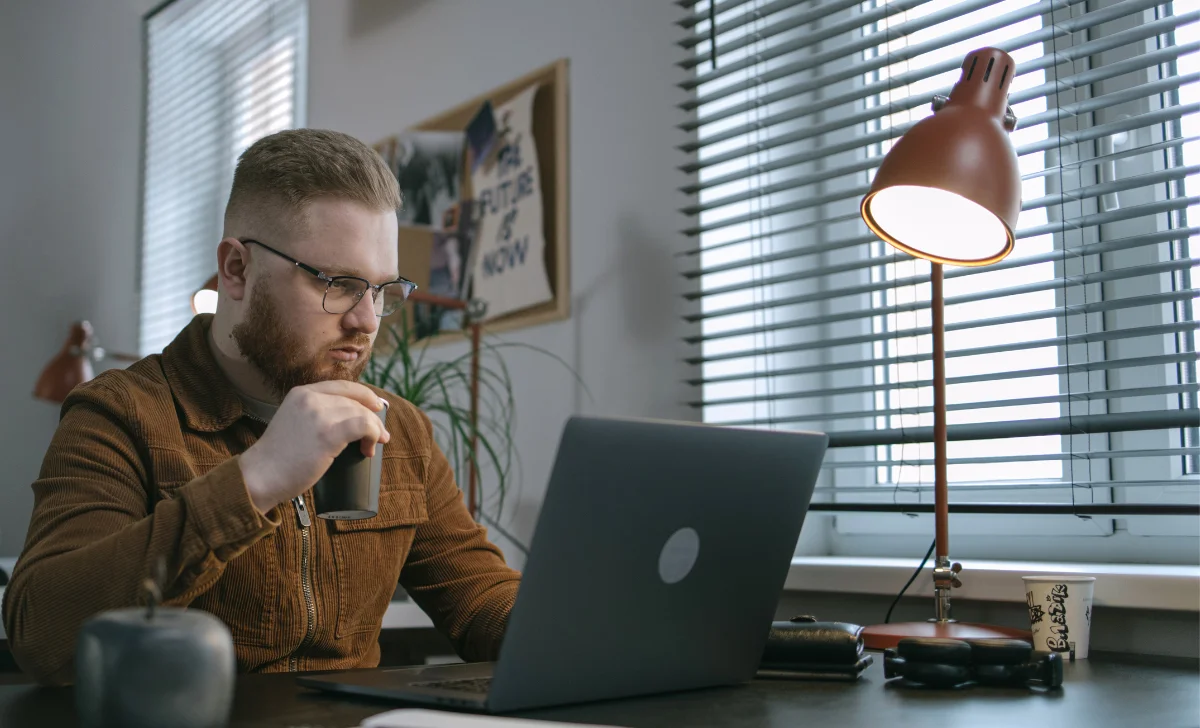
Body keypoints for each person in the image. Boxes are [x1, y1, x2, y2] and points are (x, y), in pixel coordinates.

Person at [2, 129, 521, 685]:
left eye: (381, 289)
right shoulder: (121, 415)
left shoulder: (401, 430)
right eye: (338, 283)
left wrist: (594, 633)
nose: (367, 321)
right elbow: (43, 636)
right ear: (236, 270)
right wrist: (254, 481)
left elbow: (480, 598)